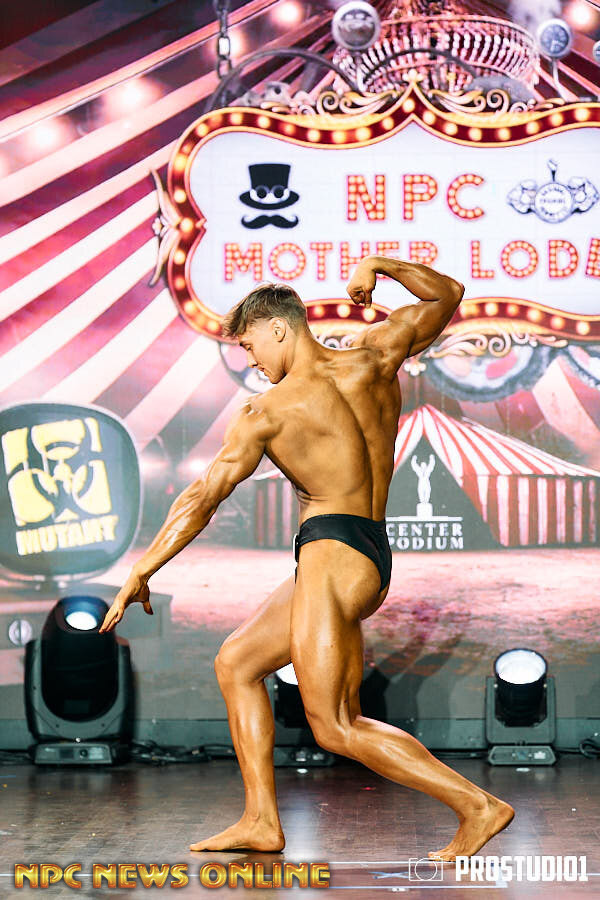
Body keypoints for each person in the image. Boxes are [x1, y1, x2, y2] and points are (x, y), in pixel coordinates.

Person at [99, 255, 514, 861]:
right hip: (365, 550)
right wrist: (379, 266)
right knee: (238, 662)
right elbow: (447, 293)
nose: (251, 360)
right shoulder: (375, 356)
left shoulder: (267, 412)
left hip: (328, 555)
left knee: (337, 725)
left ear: (278, 327)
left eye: (249, 345)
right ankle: (261, 820)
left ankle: (477, 806)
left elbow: (203, 496)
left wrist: (142, 568)